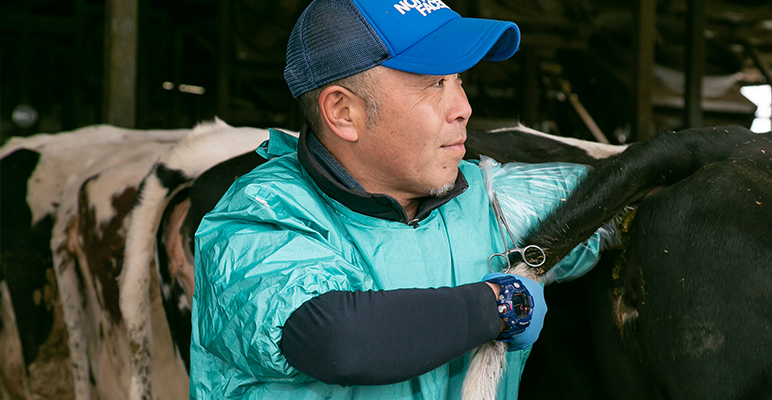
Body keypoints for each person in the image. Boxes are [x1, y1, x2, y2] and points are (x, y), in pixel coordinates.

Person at [189, 0, 606, 398]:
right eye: (434, 83)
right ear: (343, 112)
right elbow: (334, 338)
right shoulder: (256, 218)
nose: (463, 107)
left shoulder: (493, 202)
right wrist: (499, 306)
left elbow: (623, 198)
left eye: (458, 80)